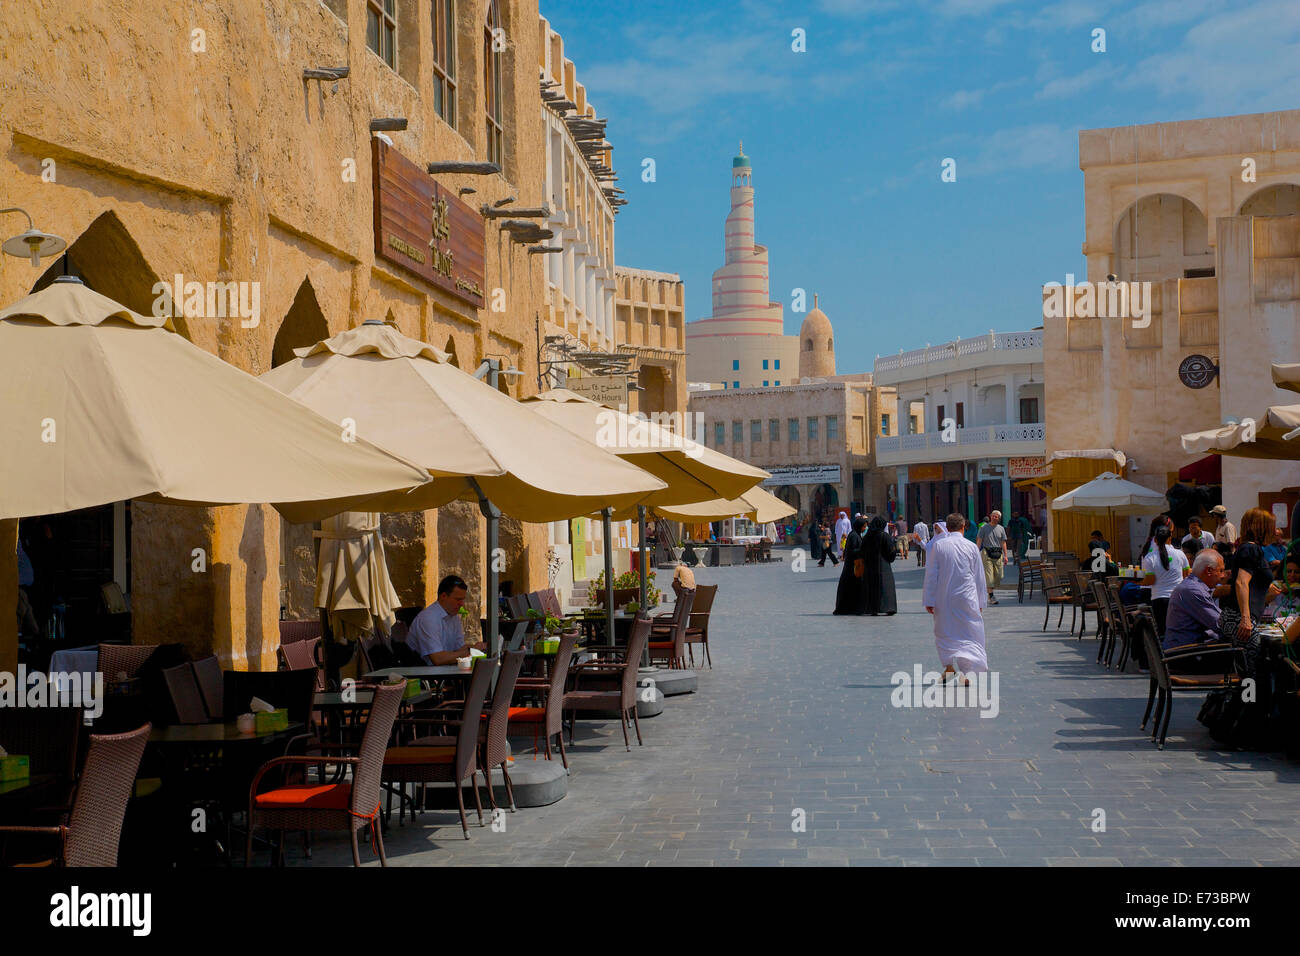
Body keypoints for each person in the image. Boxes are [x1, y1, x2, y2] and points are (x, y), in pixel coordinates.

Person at [923, 513, 989, 679]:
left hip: (944, 598)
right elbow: (979, 577)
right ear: (963, 527)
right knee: (968, 632)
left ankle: (949, 666)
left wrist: (929, 600)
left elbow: (931, 575)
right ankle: (967, 673)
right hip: (967, 597)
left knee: (944, 631)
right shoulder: (971, 546)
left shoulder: (938, 546)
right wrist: (981, 601)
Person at [1162, 550, 1228, 670]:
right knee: (1246, 654)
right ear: (1209, 570)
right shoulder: (1194, 591)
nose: (1223, 576)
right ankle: (1248, 687)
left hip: (1184, 651)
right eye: (1221, 571)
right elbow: (1221, 624)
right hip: (1184, 656)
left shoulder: (1192, 586)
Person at [1219, 508, 1276, 642]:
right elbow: (1241, 582)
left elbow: (1251, 583)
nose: (1274, 531)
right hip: (1239, 618)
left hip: (1240, 617)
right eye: (1271, 526)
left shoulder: (1250, 548)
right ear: (1262, 528)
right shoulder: (1251, 549)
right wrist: (1245, 619)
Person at [407, 575, 485, 665]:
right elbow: (438, 659)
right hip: (422, 674)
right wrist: (471, 651)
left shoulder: (453, 616)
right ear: (443, 596)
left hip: (442, 672)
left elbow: (458, 649)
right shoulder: (428, 618)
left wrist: (480, 648)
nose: (462, 604)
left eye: (462, 599)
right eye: (458, 599)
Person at [1140, 521, 1190, 635]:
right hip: (1179, 598)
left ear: (1155, 540)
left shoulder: (1149, 557)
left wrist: (1137, 582)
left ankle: (1165, 652)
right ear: (1170, 538)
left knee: (1162, 631)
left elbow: (1150, 581)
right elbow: (1186, 574)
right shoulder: (1180, 554)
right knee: (1179, 629)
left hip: (1159, 600)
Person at [833, 516, 870, 615]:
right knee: (851, 588)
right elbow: (852, 551)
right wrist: (863, 550)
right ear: (859, 526)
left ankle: (853, 607)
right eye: (864, 527)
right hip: (852, 568)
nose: (864, 528)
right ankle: (849, 608)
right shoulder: (854, 536)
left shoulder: (856, 534)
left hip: (853, 566)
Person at [863, 515, 899, 615]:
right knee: (886, 587)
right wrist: (889, 558)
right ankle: (888, 607)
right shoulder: (884, 535)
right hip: (884, 566)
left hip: (870, 565)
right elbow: (891, 551)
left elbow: (862, 550)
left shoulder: (868, 536)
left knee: (872, 587)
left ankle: (873, 609)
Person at [975, 510, 1008, 605]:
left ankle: (989, 589)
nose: (994, 517)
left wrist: (1005, 555)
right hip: (987, 553)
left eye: (996, 516)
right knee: (989, 576)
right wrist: (976, 553)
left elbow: (1003, 542)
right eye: (993, 516)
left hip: (998, 553)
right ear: (990, 516)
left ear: (999, 518)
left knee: (999, 576)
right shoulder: (983, 528)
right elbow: (979, 540)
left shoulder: (1001, 529)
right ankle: (991, 596)